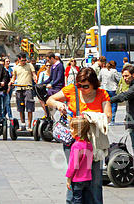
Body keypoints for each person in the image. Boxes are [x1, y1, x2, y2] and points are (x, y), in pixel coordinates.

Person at [48, 66, 111, 204]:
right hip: (73, 142)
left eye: (85, 86)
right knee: (75, 173)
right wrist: (58, 104)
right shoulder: (72, 90)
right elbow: (50, 100)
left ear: (94, 83)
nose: (81, 88)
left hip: (93, 143)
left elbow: (108, 116)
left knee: (95, 180)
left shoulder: (102, 94)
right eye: (79, 85)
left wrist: (89, 117)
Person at [66, 115, 94, 204]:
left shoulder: (76, 145)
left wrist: (69, 178)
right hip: (87, 178)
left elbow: (73, 165)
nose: (70, 131)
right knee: (87, 200)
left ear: (78, 131)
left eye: (72, 129)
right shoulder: (89, 144)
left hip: (77, 179)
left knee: (77, 200)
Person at [11, 52, 36, 129]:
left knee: (29, 107)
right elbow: (13, 77)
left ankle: (29, 126)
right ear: (19, 60)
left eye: (25, 60)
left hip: (28, 88)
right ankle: (23, 124)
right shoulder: (16, 67)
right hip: (19, 89)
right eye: (22, 60)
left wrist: (35, 78)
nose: (24, 62)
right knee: (20, 108)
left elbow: (34, 74)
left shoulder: (29, 65)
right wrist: (11, 82)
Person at [100, 60, 120, 125]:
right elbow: (118, 79)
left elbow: (99, 79)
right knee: (113, 105)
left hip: (104, 89)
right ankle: (112, 120)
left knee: (105, 105)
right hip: (113, 89)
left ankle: (105, 119)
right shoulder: (114, 71)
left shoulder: (102, 70)